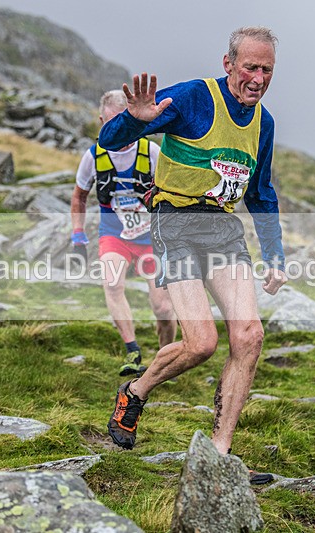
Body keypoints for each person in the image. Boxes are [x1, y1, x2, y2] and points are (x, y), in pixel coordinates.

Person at [101, 27, 287, 482]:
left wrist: (275, 253)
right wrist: (135, 119)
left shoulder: (264, 123)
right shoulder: (193, 98)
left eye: (267, 70)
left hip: (223, 230)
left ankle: (218, 456)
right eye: (250, 67)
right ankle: (136, 391)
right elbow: (110, 139)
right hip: (176, 225)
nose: (258, 79)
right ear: (229, 65)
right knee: (202, 343)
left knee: (249, 336)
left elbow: (260, 192)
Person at [70, 90, 177, 376]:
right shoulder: (92, 157)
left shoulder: (151, 152)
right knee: (113, 284)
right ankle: (133, 351)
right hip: (114, 235)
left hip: (152, 240)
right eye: (111, 124)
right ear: (102, 121)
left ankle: (165, 359)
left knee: (163, 309)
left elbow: (172, 194)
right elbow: (79, 196)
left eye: (124, 123)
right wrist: (78, 235)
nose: (118, 132)